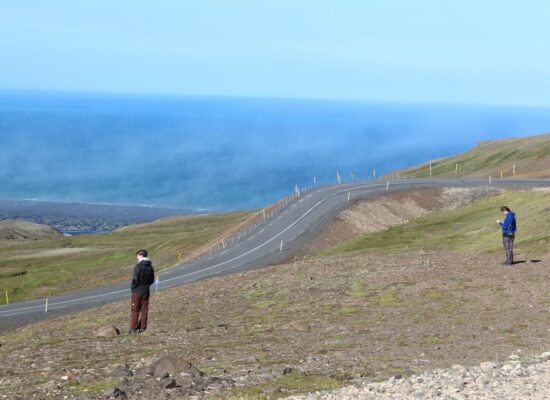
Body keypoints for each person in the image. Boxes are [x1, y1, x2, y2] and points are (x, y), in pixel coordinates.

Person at [130, 249, 155, 333]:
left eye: (137, 255)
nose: (136, 257)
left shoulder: (138, 266)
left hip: (137, 291)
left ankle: (133, 329)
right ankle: (142, 327)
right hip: (146, 290)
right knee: (144, 309)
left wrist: (133, 287)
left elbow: (135, 279)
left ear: (141, 255)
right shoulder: (150, 266)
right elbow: (152, 280)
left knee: (135, 309)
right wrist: (146, 286)